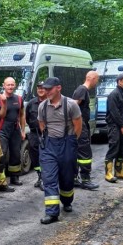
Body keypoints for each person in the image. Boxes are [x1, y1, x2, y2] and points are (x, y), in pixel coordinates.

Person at [37, 77, 82, 224]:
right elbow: (42, 125)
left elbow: (78, 126)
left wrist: (71, 142)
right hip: (49, 145)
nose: (46, 91)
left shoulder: (70, 105)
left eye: (49, 89)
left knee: (67, 178)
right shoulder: (42, 107)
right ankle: (52, 213)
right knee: (48, 179)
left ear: (58, 88)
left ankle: (67, 200)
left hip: (67, 144)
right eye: (45, 88)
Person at [72, 71, 100, 190]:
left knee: (77, 153)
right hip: (80, 125)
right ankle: (85, 179)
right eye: (97, 80)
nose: (97, 82)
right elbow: (72, 106)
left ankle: (74, 178)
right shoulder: (82, 90)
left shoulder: (83, 90)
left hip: (81, 124)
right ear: (92, 79)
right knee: (85, 153)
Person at [104, 72, 123, 183]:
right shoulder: (114, 94)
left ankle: (119, 171)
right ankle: (108, 174)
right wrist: (121, 126)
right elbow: (114, 112)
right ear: (119, 81)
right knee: (113, 148)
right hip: (115, 126)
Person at [0, 77, 26, 186]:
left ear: (15, 85)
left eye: (12, 84)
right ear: (3, 86)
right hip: (2, 129)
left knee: (16, 153)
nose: (10, 87)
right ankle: (0, 179)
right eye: (8, 85)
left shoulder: (19, 99)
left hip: (15, 129)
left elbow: (22, 114)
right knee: (2, 154)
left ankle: (15, 178)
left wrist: (23, 130)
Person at [26, 81, 47, 190]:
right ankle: (40, 176)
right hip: (34, 134)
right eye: (39, 88)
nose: (40, 90)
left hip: (47, 134)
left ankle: (45, 178)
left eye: (43, 88)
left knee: (46, 156)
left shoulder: (50, 102)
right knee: (35, 156)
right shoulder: (31, 103)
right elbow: (27, 117)